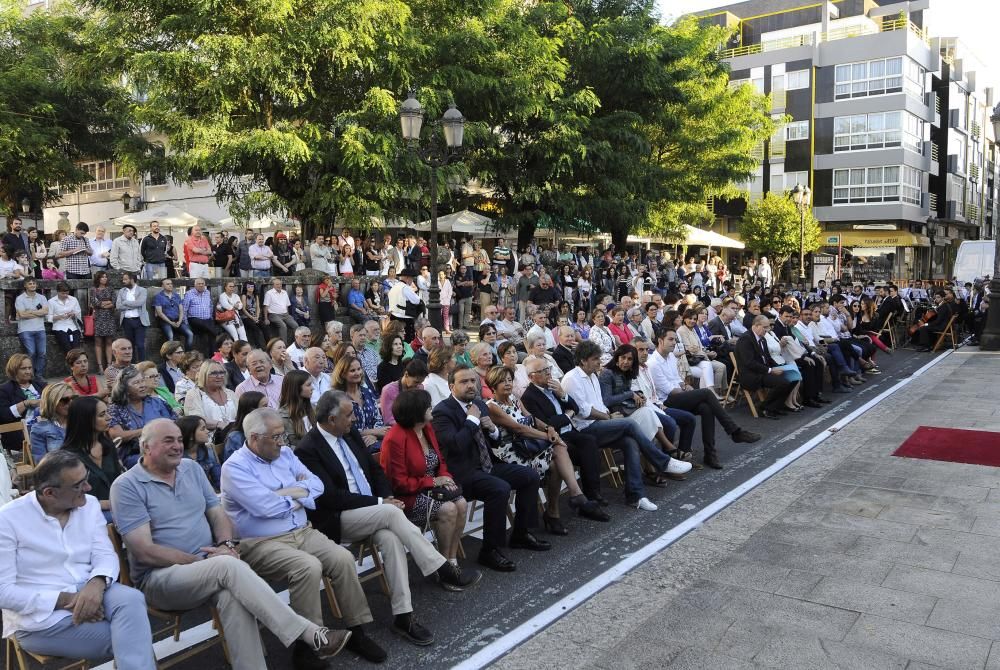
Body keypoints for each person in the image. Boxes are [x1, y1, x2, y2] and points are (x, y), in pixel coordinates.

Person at [111, 419, 352, 670]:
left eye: (180, 440)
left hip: (212, 566)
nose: (177, 446)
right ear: (146, 448)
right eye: (168, 441)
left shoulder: (191, 469)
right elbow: (144, 551)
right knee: (227, 568)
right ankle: (310, 633)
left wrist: (226, 544)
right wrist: (203, 561)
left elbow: (217, 514)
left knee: (232, 596)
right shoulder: (127, 486)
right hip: (162, 578)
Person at [295, 394, 476, 645]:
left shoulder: (349, 433)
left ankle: (404, 616)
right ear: (332, 418)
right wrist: (382, 503)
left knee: (391, 539)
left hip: (374, 510)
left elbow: (375, 471)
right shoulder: (308, 449)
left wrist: (387, 496)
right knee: (391, 513)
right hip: (339, 518)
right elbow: (331, 497)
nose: (355, 419)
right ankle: (442, 567)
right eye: (349, 415)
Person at [0, 451, 156, 668]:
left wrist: (97, 584)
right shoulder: (7, 520)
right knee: (132, 637)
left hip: (89, 586)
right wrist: (67, 600)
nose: (88, 488)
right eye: (78, 484)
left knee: (132, 599)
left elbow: (104, 553)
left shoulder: (88, 504)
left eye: (86, 478)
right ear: (50, 493)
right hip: (41, 619)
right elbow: (4, 592)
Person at [432, 365, 548, 572]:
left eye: (472, 381)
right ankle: (489, 550)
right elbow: (455, 445)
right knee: (499, 488)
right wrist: (472, 420)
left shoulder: (479, 404)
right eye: (464, 382)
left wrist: (493, 430)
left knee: (530, 476)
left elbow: (492, 442)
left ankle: (521, 533)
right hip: (462, 472)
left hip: (487, 464)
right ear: (451, 386)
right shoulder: (442, 411)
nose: (470, 385)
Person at [486, 365, 608, 533]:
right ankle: (569, 500)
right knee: (557, 448)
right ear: (493, 385)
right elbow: (519, 428)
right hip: (511, 451)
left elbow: (531, 419)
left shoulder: (514, 398)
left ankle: (560, 508)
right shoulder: (492, 406)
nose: (507, 384)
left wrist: (549, 428)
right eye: (502, 381)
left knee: (557, 460)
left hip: (527, 446)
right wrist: (548, 437)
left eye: (509, 380)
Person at [380, 389, 476, 575]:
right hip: (407, 496)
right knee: (448, 509)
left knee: (462, 504)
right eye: (428, 406)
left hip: (432, 487)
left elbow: (440, 461)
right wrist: (433, 481)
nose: (432, 407)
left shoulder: (426, 428)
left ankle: (451, 559)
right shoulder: (395, 439)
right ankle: (443, 567)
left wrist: (445, 478)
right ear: (416, 412)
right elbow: (399, 483)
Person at [647, 329, 760, 469]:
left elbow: (678, 380)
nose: (674, 343)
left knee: (706, 408)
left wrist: (686, 386)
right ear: (660, 341)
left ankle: (709, 454)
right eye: (671, 339)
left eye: (675, 339)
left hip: (677, 396)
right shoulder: (653, 363)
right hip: (665, 402)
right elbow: (670, 390)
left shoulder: (670, 357)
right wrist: (688, 391)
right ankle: (734, 431)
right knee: (706, 393)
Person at [61, 396, 122, 517]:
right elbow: (67, 499)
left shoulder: (108, 445)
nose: (109, 418)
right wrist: (103, 504)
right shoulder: (67, 457)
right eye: (102, 414)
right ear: (85, 420)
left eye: (107, 412)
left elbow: (119, 480)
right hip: (86, 514)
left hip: (117, 508)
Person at [107, 365, 177, 468]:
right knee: (158, 460)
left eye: (142, 381)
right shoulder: (116, 408)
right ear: (124, 388)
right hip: (133, 455)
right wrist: (149, 430)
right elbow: (117, 435)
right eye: (136, 383)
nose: (142, 385)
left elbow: (174, 423)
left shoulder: (157, 402)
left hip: (164, 449)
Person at [332, 356, 388, 453]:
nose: (357, 373)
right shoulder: (338, 397)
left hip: (374, 439)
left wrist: (373, 435)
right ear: (343, 374)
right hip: (351, 442)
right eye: (352, 370)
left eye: (359, 369)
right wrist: (372, 432)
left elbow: (377, 418)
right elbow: (342, 429)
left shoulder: (367, 392)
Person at [0, 354, 46, 453]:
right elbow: (3, 415)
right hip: (23, 433)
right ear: (14, 370)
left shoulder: (42, 385)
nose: (28, 371)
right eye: (23, 368)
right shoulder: (4, 390)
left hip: (45, 426)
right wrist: (26, 403)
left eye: (30, 368)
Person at [185, 360, 238, 445]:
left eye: (222, 372)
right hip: (208, 443)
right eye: (214, 373)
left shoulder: (230, 393)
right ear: (204, 375)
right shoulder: (194, 394)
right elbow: (195, 419)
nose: (219, 376)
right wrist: (219, 424)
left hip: (234, 439)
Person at [29, 382, 74, 464]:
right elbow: (41, 463)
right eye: (65, 400)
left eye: (73, 398)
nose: (70, 402)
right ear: (52, 402)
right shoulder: (40, 429)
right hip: (57, 473)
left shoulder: (81, 421)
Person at [15, 277, 48, 376]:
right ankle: (29, 375)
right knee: (31, 353)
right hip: (25, 330)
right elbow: (22, 315)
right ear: (25, 285)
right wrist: (38, 312)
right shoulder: (20, 298)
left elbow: (46, 311)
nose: (32, 285)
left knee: (42, 353)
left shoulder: (42, 297)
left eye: (34, 283)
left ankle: (38, 375)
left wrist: (30, 311)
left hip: (40, 329)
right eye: (30, 283)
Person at [380, 359, 428, 426]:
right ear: (406, 374)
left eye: (421, 382)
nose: (418, 385)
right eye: (416, 382)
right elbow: (388, 420)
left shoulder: (420, 387)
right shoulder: (388, 390)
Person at [222, 391, 267, 462]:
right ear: (252, 411)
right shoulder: (235, 438)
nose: (269, 409)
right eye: (265, 406)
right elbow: (235, 465)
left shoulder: (267, 430)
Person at [116, 272, 149, 363]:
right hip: (126, 321)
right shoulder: (122, 291)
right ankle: (132, 364)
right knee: (129, 345)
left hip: (139, 320)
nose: (123, 281)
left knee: (140, 344)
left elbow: (139, 303)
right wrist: (133, 305)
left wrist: (125, 302)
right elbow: (118, 306)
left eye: (126, 279)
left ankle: (142, 364)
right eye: (123, 279)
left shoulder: (142, 290)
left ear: (132, 279)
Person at [277, 370, 315, 447]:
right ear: (296, 388)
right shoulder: (282, 417)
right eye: (308, 385)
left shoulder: (313, 408)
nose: (312, 388)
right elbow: (286, 448)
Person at [87, 271, 116, 372]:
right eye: (102, 277)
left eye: (106, 277)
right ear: (98, 278)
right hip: (98, 318)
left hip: (109, 317)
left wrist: (103, 304)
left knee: (109, 341)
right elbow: (94, 303)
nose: (104, 278)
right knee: (98, 342)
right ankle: (100, 366)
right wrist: (106, 303)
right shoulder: (93, 290)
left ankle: (109, 365)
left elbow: (114, 302)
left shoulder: (111, 289)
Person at [263, 277, 299, 344]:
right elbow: (266, 306)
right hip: (273, 315)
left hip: (285, 314)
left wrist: (288, 315)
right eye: (277, 284)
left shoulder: (284, 292)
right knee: (283, 326)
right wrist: (266, 319)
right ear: (273, 285)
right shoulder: (269, 293)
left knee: (295, 325)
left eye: (280, 284)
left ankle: (295, 343)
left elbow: (287, 305)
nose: (279, 286)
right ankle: (284, 345)